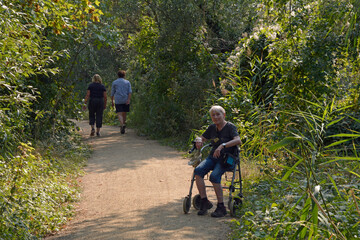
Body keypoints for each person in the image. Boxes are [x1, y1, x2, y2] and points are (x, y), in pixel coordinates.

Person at [194, 105, 241, 217]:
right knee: (198, 171)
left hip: (227, 158)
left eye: (218, 114)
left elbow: (238, 140)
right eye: (213, 115)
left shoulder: (230, 127)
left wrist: (222, 145)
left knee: (214, 176)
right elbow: (202, 137)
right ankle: (204, 201)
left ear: (223, 115)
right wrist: (199, 140)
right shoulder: (212, 128)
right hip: (213, 157)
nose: (215, 117)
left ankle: (221, 207)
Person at [111, 70, 132, 134]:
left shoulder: (114, 82)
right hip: (125, 99)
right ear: (124, 75)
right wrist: (128, 99)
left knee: (119, 113)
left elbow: (112, 93)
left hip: (118, 99)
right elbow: (130, 92)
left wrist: (112, 101)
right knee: (124, 113)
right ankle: (124, 123)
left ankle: (122, 124)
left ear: (118, 75)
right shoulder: (127, 82)